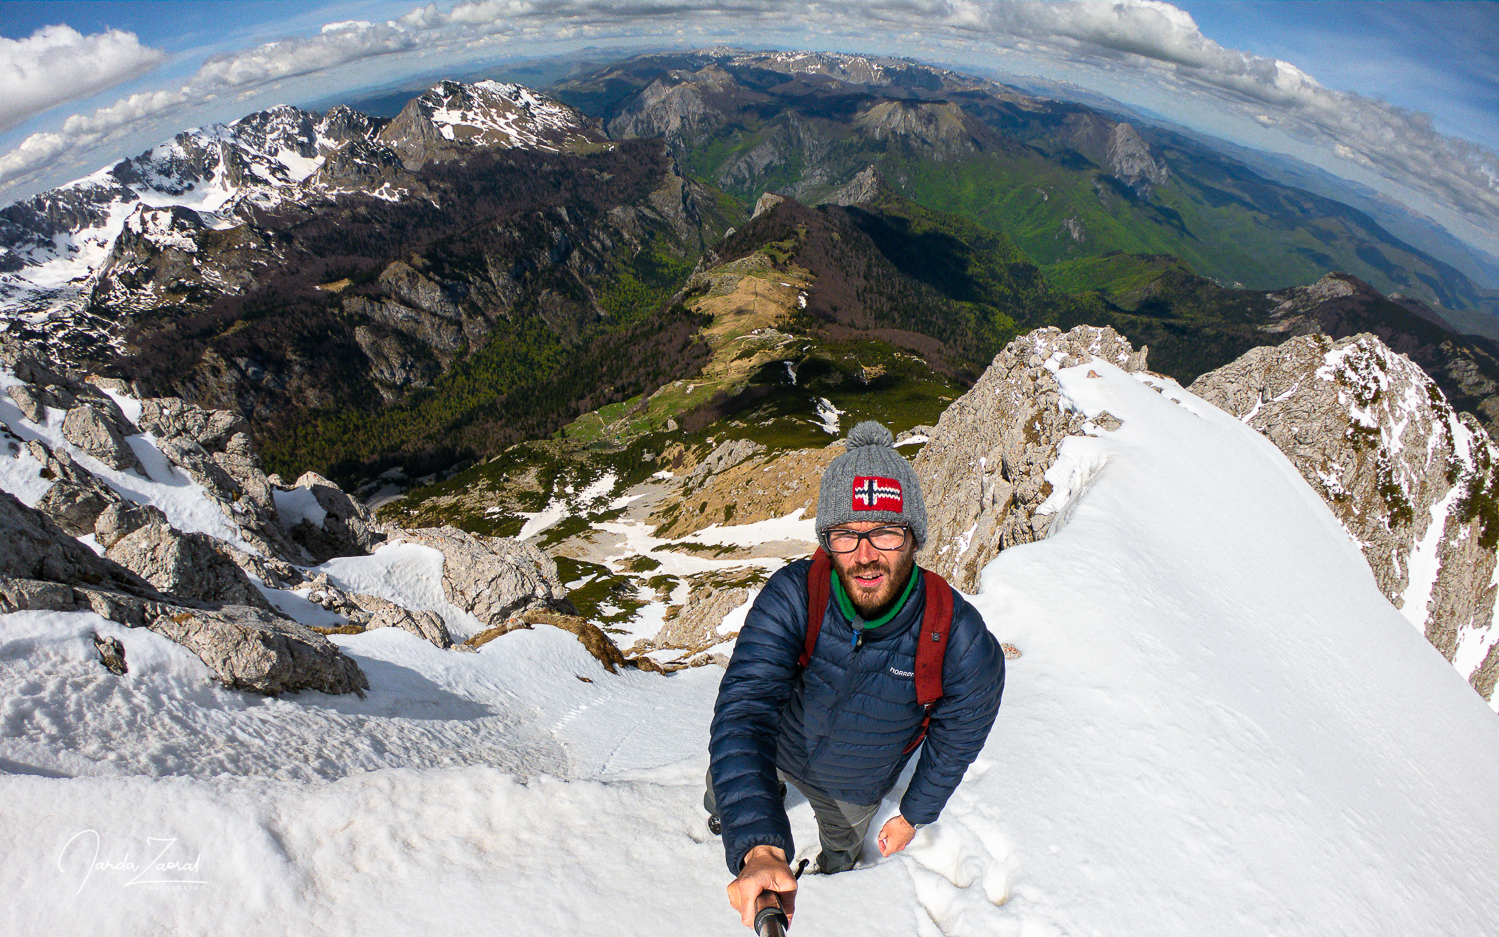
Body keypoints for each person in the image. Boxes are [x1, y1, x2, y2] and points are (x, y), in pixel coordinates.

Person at [707, 420, 1005, 928]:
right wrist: (758, 844)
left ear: (914, 538)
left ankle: (835, 874)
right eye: (847, 534)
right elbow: (744, 712)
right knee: (726, 787)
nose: (866, 555)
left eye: (886, 532)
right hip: (776, 747)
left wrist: (913, 815)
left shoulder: (960, 641)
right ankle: (727, 817)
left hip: (855, 785)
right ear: (827, 540)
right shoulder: (795, 595)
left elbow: (957, 738)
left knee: (841, 847)